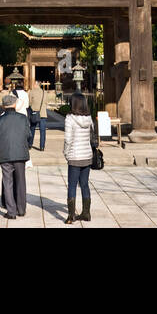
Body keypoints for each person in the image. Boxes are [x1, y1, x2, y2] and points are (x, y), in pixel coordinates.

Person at [0, 94, 32, 218]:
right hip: (20, 153)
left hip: (5, 154)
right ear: (15, 104)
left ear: (3, 106)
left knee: (7, 182)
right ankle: (21, 209)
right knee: (21, 181)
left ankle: (11, 211)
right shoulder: (23, 118)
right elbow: (28, 135)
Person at [62, 91, 96, 223]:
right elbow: (91, 137)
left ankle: (71, 215)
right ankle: (86, 213)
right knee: (85, 184)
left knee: (72, 185)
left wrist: (66, 153)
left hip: (75, 156)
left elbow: (68, 140)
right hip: (87, 154)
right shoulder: (89, 118)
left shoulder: (70, 118)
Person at [28, 82, 49, 150]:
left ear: (36, 84)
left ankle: (30, 144)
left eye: (34, 84)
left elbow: (29, 103)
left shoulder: (31, 92)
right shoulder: (44, 92)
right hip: (42, 113)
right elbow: (46, 102)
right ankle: (42, 146)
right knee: (42, 131)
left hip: (34, 113)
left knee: (32, 129)